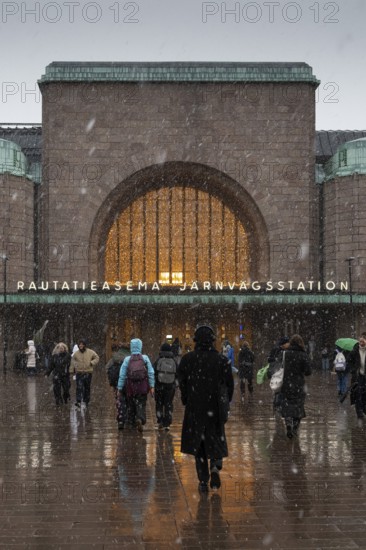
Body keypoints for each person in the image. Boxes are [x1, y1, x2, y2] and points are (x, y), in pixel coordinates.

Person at [178, 324, 234, 493]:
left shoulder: (188, 360)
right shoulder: (222, 361)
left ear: (195, 340)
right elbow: (229, 386)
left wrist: (187, 399)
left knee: (199, 444)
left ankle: (203, 480)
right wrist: (225, 403)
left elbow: (182, 383)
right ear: (212, 341)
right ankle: (215, 466)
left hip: (196, 408)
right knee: (216, 438)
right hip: (215, 408)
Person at [117, 338, 155, 433]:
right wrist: (152, 386)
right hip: (142, 387)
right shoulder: (145, 358)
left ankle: (132, 422)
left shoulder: (127, 359)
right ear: (140, 347)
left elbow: (122, 375)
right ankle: (140, 419)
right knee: (141, 404)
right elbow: (151, 373)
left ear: (131, 347)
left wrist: (119, 388)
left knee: (131, 404)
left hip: (130, 387)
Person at [278, 334, 312, 439]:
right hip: (299, 385)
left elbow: (279, 367)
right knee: (298, 406)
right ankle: (295, 428)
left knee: (287, 405)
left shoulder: (285, 354)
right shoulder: (303, 354)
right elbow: (308, 372)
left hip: (286, 383)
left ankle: (288, 423)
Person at [105, 342, 130, 430]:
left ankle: (121, 419)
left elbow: (107, 367)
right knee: (129, 400)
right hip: (129, 383)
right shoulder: (131, 357)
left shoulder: (115, 357)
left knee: (120, 400)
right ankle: (129, 418)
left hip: (117, 383)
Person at [153, 343, 177, 431]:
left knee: (159, 403)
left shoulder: (159, 360)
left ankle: (160, 422)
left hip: (159, 385)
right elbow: (177, 373)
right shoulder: (173, 361)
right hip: (170, 386)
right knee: (168, 404)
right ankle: (167, 423)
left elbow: (154, 371)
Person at [70, 338, 99, 408]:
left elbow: (97, 358)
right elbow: (72, 361)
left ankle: (86, 401)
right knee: (79, 387)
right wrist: (71, 370)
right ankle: (78, 401)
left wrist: (92, 363)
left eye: (82, 344)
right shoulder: (76, 353)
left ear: (85, 345)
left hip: (88, 373)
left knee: (87, 387)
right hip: (79, 373)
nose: (81, 345)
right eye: (79, 344)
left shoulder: (90, 352)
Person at [267, 336, 290, 412]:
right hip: (278, 372)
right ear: (284, 344)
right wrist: (276, 360)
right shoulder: (279, 350)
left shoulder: (284, 350)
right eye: (287, 343)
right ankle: (278, 405)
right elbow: (270, 359)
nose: (289, 344)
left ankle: (277, 404)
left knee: (278, 389)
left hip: (278, 372)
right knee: (279, 389)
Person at [348, 332, 366, 420]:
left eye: (363, 341)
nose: (361, 343)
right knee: (357, 394)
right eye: (360, 341)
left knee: (364, 395)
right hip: (358, 377)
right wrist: (353, 369)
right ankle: (359, 413)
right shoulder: (354, 351)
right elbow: (349, 361)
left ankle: (363, 409)